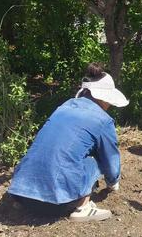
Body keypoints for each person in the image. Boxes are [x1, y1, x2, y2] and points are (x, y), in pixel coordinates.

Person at [8, 63, 129, 222]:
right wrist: (113, 182)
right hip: (56, 203)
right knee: (96, 160)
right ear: (102, 97)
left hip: (21, 196)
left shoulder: (64, 107)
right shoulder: (103, 120)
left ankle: (29, 196)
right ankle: (83, 207)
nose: (109, 106)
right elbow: (111, 158)